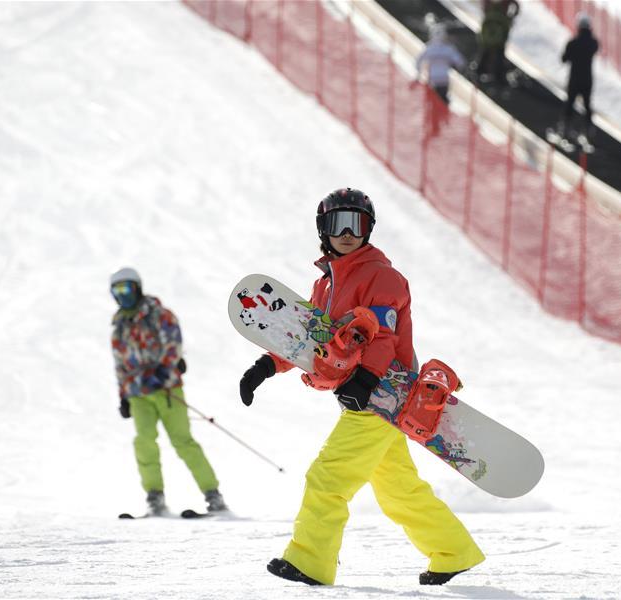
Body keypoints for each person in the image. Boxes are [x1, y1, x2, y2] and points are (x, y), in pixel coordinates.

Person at [238, 188, 485, 586]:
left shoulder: (382, 277)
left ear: (369, 229)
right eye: (339, 223)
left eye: (358, 223)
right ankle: (453, 551)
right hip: (371, 399)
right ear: (324, 229)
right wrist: (266, 366)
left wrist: (368, 379)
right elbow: (311, 340)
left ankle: (310, 562)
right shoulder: (326, 285)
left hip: (381, 394)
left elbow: (383, 337)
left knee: (328, 477)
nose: (349, 232)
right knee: (397, 489)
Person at [110, 267, 228, 515]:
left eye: (127, 288)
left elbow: (173, 341)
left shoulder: (159, 315)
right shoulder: (119, 324)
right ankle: (155, 497)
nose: (123, 295)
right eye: (117, 290)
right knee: (144, 442)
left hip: (166, 389)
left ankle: (213, 496)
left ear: (137, 287)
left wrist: (164, 371)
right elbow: (119, 361)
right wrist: (123, 395)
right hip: (138, 394)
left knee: (182, 441)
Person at [415, 24, 465, 139]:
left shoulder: (429, 48)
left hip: (432, 81)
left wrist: (418, 74)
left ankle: (434, 125)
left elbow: (418, 61)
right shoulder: (448, 49)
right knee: (441, 101)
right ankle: (443, 116)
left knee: (432, 104)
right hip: (444, 81)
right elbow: (460, 62)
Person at [559, 13, 599, 140]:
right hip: (587, 79)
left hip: (574, 78)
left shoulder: (573, 43)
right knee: (587, 104)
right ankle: (588, 130)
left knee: (570, 102)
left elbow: (564, 58)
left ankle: (566, 129)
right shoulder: (593, 43)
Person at [475, 0, 519, 86]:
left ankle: (479, 71)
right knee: (498, 52)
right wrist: (510, 17)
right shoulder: (504, 5)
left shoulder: (489, 7)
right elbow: (516, 5)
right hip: (500, 27)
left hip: (490, 27)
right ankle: (497, 75)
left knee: (486, 51)